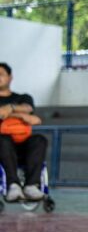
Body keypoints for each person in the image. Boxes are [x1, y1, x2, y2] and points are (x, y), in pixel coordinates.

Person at [0, 62, 47, 202]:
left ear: (10, 77)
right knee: (3, 139)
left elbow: (28, 108)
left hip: (21, 143)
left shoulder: (23, 98)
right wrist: (23, 116)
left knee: (39, 139)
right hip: (2, 146)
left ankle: (31, 185)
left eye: (1, 74)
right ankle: (13, 185)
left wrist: (11, 109)